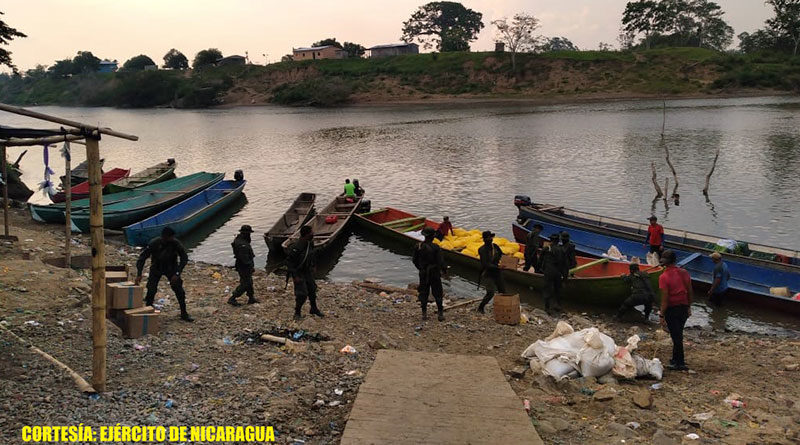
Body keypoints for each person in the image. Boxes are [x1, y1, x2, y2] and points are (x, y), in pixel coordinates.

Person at [135, 227, 193, 322]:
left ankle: (184, 313)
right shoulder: (154, 243)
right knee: (151, 289)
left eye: (172, 238)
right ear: (164, 237)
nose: (171, 239)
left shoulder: (175, 243)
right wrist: (139, 273)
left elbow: (184, 258)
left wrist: (177, 273)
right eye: (169, 238)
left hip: (171, 268)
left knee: (179, 290)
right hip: (156, 267)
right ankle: (148, 311)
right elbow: (142, 258)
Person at [658, 249, 693, 371]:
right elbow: (689, 290)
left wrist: (661, 315)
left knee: (676, 336)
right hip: (683, 307)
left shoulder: (664, 277)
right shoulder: (684, 272)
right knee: (678, 333)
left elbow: (665, 299)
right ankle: (675, 359)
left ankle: (680, 363)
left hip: (672, 309)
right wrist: (689, 306)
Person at [286, 225, 324, 320]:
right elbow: (289, 263)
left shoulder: (309, 243)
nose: (313, 234)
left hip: (307, 271)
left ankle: (314, 308)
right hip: (298, 272)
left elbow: (312, 254)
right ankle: (297, 312)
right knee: (302, 294)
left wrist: (314, 265)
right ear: (306, 234)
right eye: (311, 232)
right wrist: (295, 276)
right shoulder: (296, 247)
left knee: (312, 289)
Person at [412, 227, 447, 321]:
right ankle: (440, 313)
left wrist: (421, 269)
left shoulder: (418, 246)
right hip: (434, 273)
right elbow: (441, 261)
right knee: (438, 293)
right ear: (432, 237)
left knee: (423, 292)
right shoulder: (436, 247)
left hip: (423, 273)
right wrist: (444, 270)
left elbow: (414, 261)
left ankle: (424, 313)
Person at [228, 225, 258, 306]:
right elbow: (244, 258)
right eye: (249, 233)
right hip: (244, 266)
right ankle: (233, 298)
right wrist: (250, 266)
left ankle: (251, 298)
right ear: (246, 234)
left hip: (243, 265)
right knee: (245, 283)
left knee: (249, 282)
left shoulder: (241, 240)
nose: (250, 235)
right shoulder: (242, 244)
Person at [477, 231, 506, 314]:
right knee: (490, 293)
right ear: (484, 239)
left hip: (497, 272)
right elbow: (486, 264)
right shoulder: (482, 250)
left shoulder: (495, 247)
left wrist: (508, 261)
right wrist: (498, 267)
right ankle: (481, 307)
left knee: (502, 291)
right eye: (487, 238)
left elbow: (502, 254)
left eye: (490, 237)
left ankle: (502, 307)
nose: (490, 239)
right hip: (488, 273)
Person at [539, 233, 565, 314]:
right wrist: (564, 274)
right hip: (557, 272)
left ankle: (547, 308)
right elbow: (563, 262)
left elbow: (540, 260)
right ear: (558, 241)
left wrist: (540, 269)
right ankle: (558, 306)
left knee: (547, 289)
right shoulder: (561, 250)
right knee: (558, 289)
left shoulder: (546, 248)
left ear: (551, 240)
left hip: (548, 271)